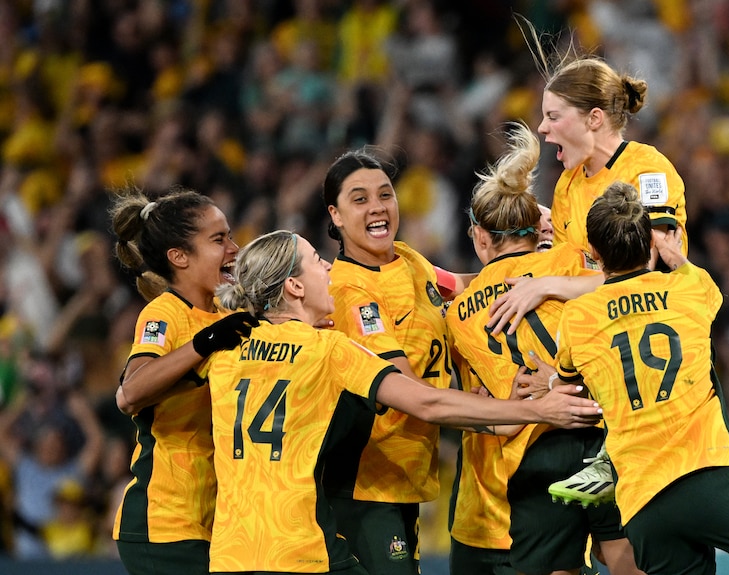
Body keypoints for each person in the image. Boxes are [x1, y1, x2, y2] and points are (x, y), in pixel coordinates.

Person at [199, 228, 595, 574]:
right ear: (295, 287)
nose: (330, 271)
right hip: (298, 548)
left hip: (230, 551)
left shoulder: (223, 351)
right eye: (318, 262)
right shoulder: (327, 349)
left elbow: (135, 390)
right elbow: (426, 404)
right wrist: (536, 410)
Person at [549, 181, 729, 575]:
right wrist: (674, 255)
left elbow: (569, 387)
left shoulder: (577, 318)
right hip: (712, 472)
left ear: (595, 253)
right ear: (649, 243)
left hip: (644, 501)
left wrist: (547, 385)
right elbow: (696, 283)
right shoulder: (692, 287)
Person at [445, 121, 641, 575]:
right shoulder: (572, 258)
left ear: (480, 237)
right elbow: (627, 280)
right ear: (538, 226)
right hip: (608, 431)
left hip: (539, 450)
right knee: (627, 560)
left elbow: (509, 415)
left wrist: (484, 411)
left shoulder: (462, 312)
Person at [487, 16, 687, 336]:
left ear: (593, 118)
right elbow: (569, 271)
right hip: (598, 345)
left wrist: (548, 285)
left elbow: (652, 271)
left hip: (659, 342)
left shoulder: (648, 169)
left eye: (553, 116)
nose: (541, 128)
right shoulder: (567, 186)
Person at [320, 149, 470, 575]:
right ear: (335, 215)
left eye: (385, 194)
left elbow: (461, 286)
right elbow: (413, 395)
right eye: (360, 199)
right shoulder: (350, 291)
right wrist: (499, 415)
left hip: (404, 478)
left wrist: (536, 275)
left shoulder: (407, 259)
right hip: (364, 484)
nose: (378, 207)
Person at [109, 187, 258, 575]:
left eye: (230, 235)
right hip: (164, 522)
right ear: (179, 257)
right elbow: (129, 393)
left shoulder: (232, 313)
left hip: (214, 521)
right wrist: (204, 344)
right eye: (219, 239)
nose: (234, 247)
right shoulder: (165, 314)